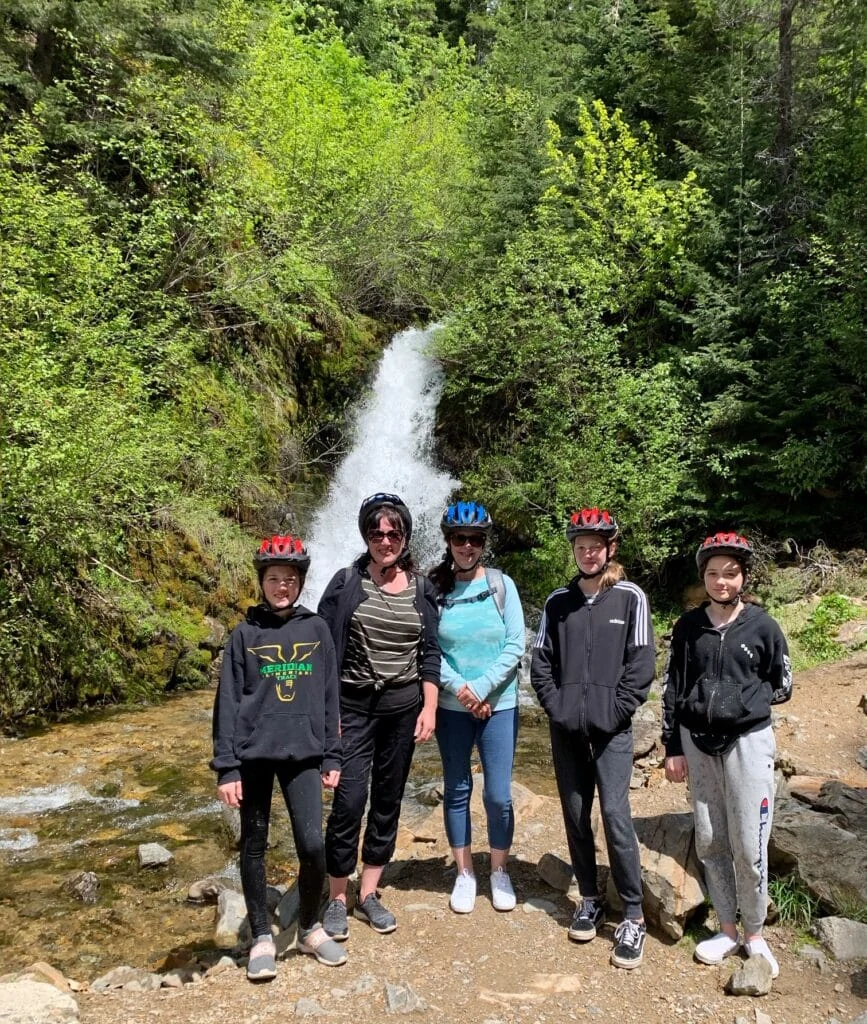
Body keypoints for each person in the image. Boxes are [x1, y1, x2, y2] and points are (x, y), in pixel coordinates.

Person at [210, 534, 345, 980]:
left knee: (312, 846)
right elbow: (227, 703)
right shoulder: (244, 634)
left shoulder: (317, 629)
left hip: (304, 754)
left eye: (289, 578)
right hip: (252, 756)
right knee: (254, 845)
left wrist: (332, 755)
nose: (281, 586)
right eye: (273, 578)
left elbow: (330, 697)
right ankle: (262, 937)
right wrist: (226, 767)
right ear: (262, 582)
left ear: (300, 582)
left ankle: (308, 926)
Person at [662, 532, 792, 978]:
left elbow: (783, 684)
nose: (721, 581)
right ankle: (729, 926)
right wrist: (673, 746)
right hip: (696, 742)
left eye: (730, 573)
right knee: (712, 838)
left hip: (748, 742)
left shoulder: (763, 626)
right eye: (713, 573)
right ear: (704, 577)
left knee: (750, 842)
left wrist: (739, 703)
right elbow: (673, 689)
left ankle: (755, 933)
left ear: (742, 577)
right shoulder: (687, 627)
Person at [531, 507, 654, 969]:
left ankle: (635, 914)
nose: (587, 553)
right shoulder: (557, 602)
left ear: (610, 549)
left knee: (616, 815)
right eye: (580, 547)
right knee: (576, 814)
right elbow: (540, 662)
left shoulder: (630, 598)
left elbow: (642, 665)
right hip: (566, 729)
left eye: (595, 546)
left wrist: (616, 709)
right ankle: (588, 895)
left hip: (612, 731)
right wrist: (557, 706)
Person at [317, 493, 440, 940]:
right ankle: (336, 896)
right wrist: (325, 718)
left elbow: (430, 653)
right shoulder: (346, 582)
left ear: (405, 536)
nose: (385, 539)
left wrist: (429, 706)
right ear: (366, 536)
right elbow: (323, 652)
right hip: (352, 708)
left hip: (402, 711)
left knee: (388, 801)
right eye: (376, 532)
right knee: (348, 803)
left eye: (393, 532)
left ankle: (368, 893)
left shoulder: (422, 588)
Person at [429, 501, 526, 914]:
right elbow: (429, 648)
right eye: (459, 539)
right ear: (449, 542)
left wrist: (482, 689)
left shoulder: (503, 586)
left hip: (499, 704)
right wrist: (461, 690)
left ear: (484, 543)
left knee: (500, 795)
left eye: (475, 539)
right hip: (452, 708)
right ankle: (465, 872)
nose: (467, 546)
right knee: (456, 789)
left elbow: (515, 645)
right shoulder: (435, 590)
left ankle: (499, 870)